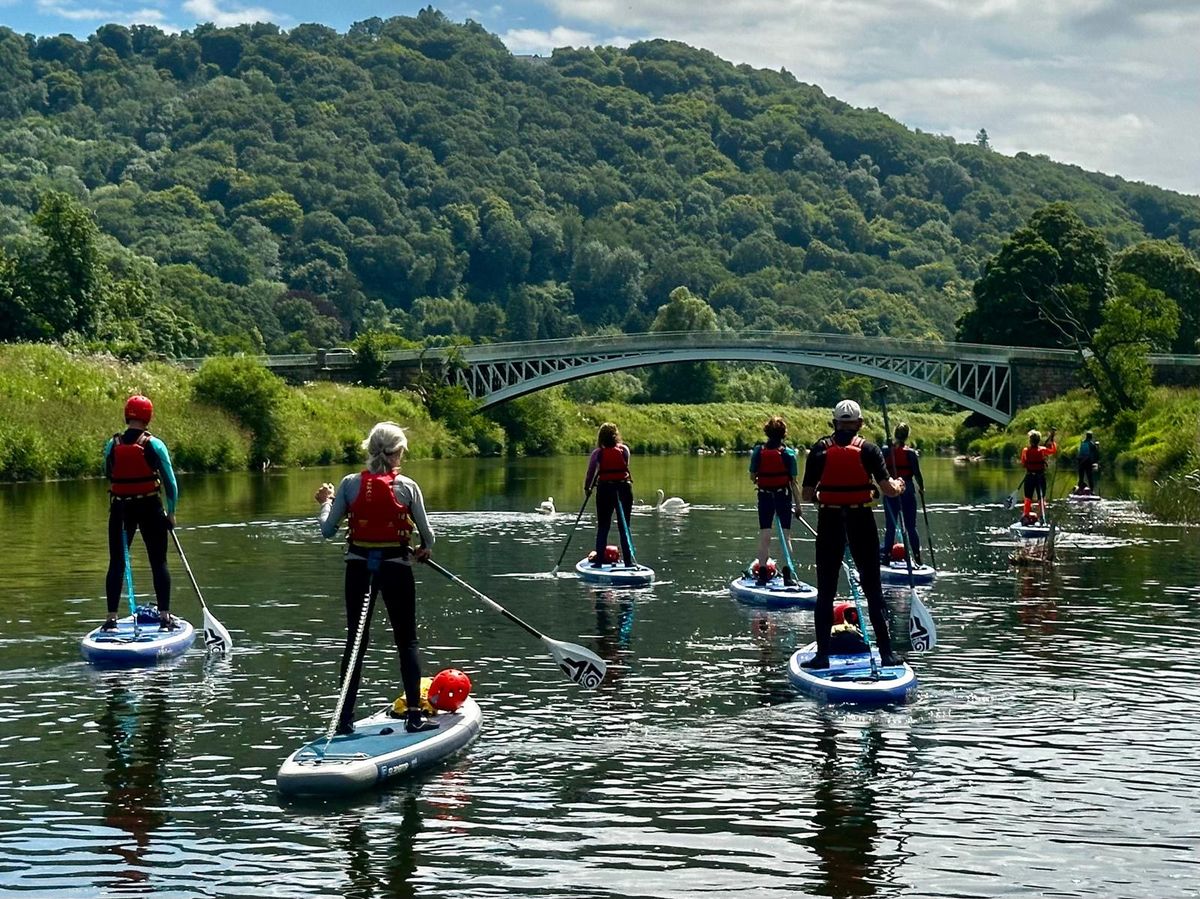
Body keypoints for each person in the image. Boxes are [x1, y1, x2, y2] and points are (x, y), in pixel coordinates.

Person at [315, 421, 437, 735]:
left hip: (359, 570)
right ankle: (413, 716)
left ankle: (343, 719)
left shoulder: (349, 484)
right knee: (406, 640)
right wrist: (422, 550)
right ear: (396, 454)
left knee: (356, 641)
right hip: (396, 568)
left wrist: (326, 502)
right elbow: (429, 537)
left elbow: (327, 530)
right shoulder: (408, 486)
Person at [799, 399, 906, 670]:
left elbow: (807, 495)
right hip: (861, 520)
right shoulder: (869, 450)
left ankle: (822, 656)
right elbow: (888, 489)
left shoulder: (819, 450)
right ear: (859, 424)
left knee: (825, 592)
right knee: (873, 590)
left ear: (834, 423)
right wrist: (900, 485)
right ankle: (887, 654)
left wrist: (828, 494)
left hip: (830, 520)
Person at [102, 395, 178, 631]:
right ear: (148, 417)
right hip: (149, 507)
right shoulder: (155, 445)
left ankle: (111, 618)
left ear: (127, 415)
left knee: (116, 562)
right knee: (159, 561)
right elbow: (171, 484)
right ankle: (164, 617)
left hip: (120, 509)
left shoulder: (111, 444)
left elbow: (108, 473)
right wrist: (171, 513)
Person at [748, 415, 802, 586]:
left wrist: (761, 479)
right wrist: (798, 506)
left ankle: (762, 573)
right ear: (784, 434)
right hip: (783, 496)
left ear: (767, 432)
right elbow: (793, 483)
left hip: (764, 496)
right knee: (786, 537)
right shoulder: (789, 454)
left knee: (765, 535)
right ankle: (788, 576)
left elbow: (752, 477)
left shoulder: (758, 451)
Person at [584, 422, 634, 567]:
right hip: (624, 489)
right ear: (616, 435)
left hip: (605, 490)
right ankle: (629, 562)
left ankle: (599, 561)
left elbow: (590, 473)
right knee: (625, 526)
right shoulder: (624, 450)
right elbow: (625, 466)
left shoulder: (597, 453)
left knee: (603, 526)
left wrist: (587, 489)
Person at [881, 422, 925, 566]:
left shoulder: (886, 451)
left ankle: (886, 557)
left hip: (891, 489)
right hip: (907, 489)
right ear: (907, 436)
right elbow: (917, 474)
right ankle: (917, 558)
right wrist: (922, 488)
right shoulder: (910, 453)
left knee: (890, 527)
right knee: (911, 526)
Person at [1020, 427, 1058, 524]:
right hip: (1040, 477)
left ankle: (1026, 516)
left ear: (1030, 440)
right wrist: (1052, 441)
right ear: (1038, 440)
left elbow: (1023, 463)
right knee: (1041, 498)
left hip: (1029, 477)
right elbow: (1053, 450)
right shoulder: (1043, 450)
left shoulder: (1025, 450)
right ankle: (1042, 517)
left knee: (1028, 498)